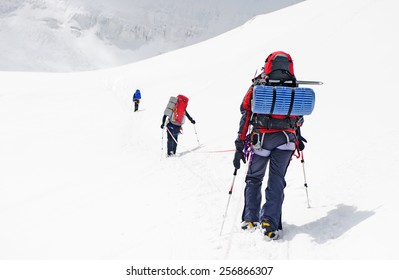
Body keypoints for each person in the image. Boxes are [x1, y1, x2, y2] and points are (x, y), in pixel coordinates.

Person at [233, 51, 306, 240]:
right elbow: (297, 116)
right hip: (286, 141)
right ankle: (270, 223)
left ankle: (250, 219)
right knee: (276, 180)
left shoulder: (258, 85)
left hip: (262, 139)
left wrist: (240, 143)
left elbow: (246, 114)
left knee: (254, 178)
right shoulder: (293, 86)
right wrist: (297, 135)